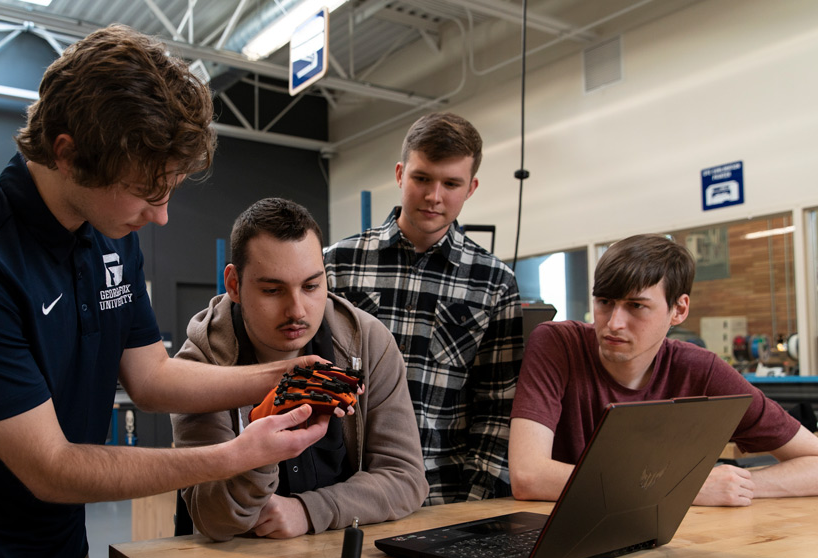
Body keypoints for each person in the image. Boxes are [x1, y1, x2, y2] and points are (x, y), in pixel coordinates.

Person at [0, 25, 339, 558]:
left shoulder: (107, 229)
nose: (162, 216)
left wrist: (279, 375)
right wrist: (236, 454)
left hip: (63, 544)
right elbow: (52, 467)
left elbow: (151, 376)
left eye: (171, 189)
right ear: (68, 153)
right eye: (148, 192)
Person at [171, 198, 429, 540]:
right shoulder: (201, 364)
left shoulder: (367, 342)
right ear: (234, 284)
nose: (297, 310)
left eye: (311, 286)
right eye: (272, 290)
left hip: (336, 553)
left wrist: (309, 511)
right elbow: (213, 517)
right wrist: (257, 455)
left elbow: (406, 478)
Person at [509, 233, 818, 506]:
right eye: (605, 302)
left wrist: (741, 486)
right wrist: (682, 488)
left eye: (636, 306)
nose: (613, 323)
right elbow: (528, 475)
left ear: (679, 310)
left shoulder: (700, 369)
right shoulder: (557, 344)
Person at [324, 111, 523, 504]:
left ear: (471, 187)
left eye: (451, 183)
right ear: (400, 174)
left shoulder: (495, 283)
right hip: (341, 491)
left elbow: (499, 410)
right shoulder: (336, 265)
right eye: (422, 178)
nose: (434, 196)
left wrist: (474, 506)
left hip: (441, 496)